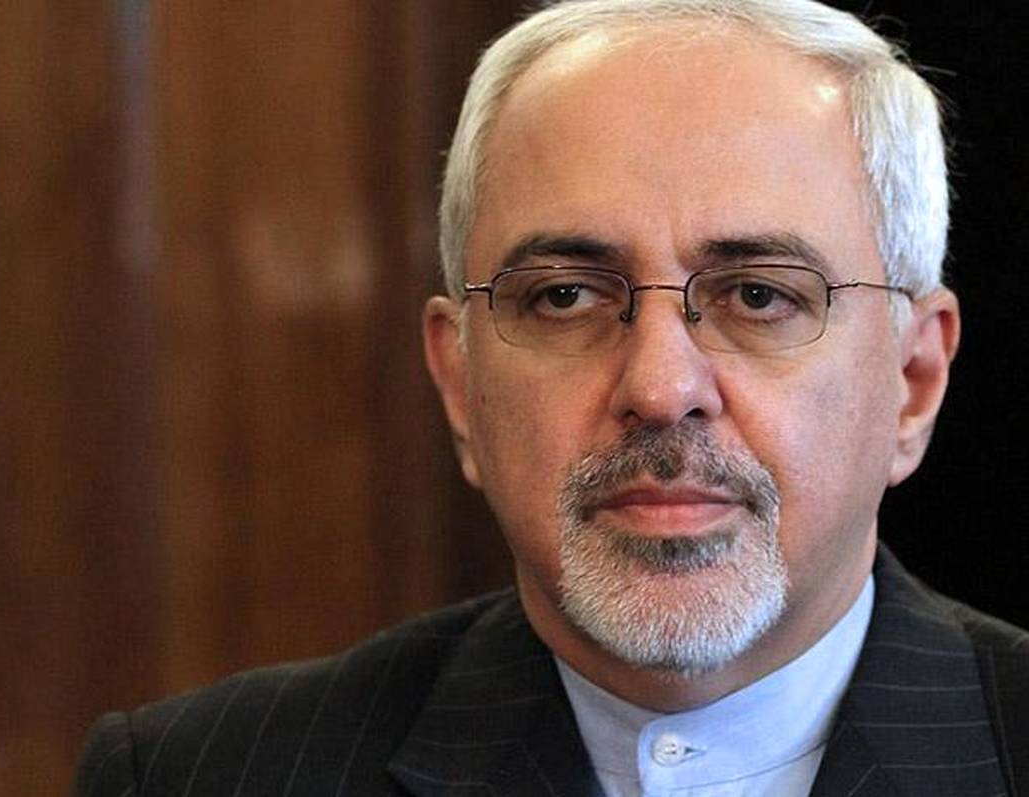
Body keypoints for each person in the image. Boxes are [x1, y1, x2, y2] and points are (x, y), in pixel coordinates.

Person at [74, 1, 1029, 795]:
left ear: (913, 382)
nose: (660, 388)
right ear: (459, 380)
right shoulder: (196, 775)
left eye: (758, 296)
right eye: (566, 296)